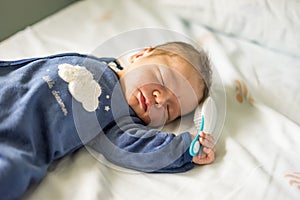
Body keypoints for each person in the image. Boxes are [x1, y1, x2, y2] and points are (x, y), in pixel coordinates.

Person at [0, 41, 215, 200]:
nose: (160, 100)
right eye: (162, 80)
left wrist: (187, 149)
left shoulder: (118, 120)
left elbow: (136, 149)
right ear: (140, 55)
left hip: (19, 143)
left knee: (11, 174)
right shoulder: (95, 62)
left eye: (169, 109)